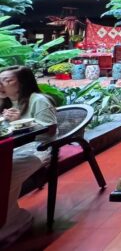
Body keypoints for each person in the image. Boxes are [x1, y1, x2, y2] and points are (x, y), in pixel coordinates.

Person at [0, 66, 57, 246]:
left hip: (39, 149)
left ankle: (14, 222)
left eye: (7, 80)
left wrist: (21, 122)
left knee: (4, 174)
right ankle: (12, 218)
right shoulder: (8, 103)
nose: (1, 84)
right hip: (14, 149)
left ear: (22, 83)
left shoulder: (38, 100)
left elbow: (50, 129)